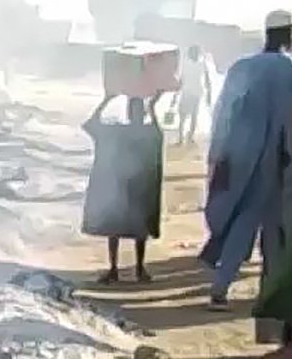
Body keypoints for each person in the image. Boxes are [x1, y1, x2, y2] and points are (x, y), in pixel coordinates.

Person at [201, 9, 292, 311]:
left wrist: (216, 154)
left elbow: (222, 113)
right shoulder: (288, 71)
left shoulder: (242, 67)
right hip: (278, 162)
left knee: (241, 219)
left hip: (238, 157)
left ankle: (220, 285)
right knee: (277, 233)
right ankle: (272, 301)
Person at [82, 92, 164, 284]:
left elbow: (90, 125)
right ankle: (138, 269)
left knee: (116, 228)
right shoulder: (147, 132)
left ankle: (115, 269)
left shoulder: (118, 131)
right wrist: (152, 108)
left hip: (122, 186)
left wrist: (106, 99)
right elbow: (89, 126)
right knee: (137, 230)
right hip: (140, 188)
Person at [175, 44, 213, 147]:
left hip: (189, 92)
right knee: (192, 116)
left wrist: (175, 96)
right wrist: (209, 95)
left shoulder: (187, 64)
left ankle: (182, 138)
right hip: (195, 92)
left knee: (184, 116)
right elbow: (207, 82)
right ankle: (188, 138)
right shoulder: (201, 64)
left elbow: (181, 81)